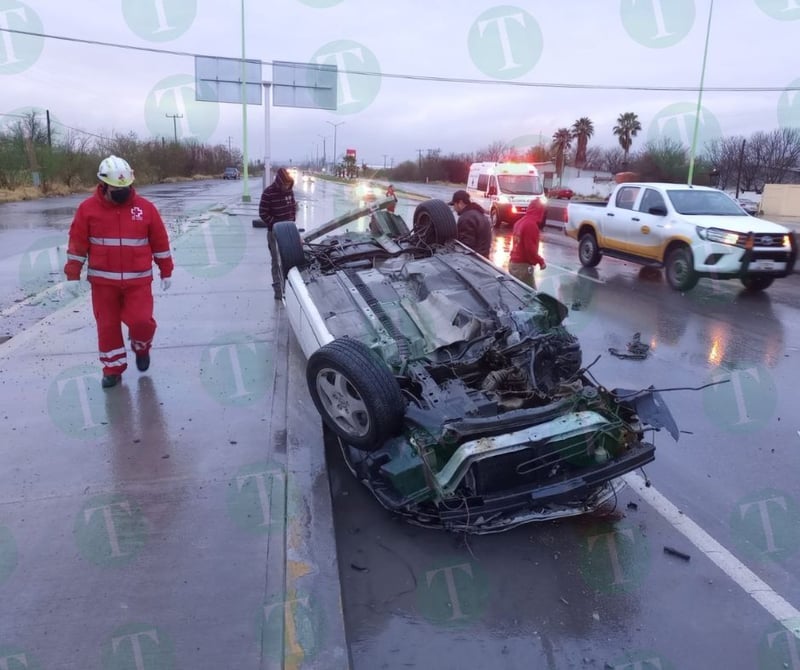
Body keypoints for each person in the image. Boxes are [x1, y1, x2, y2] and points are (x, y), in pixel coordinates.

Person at [64, 155, 174, 389]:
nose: (123, 191)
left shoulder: (145, 209)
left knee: (142, 322)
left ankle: (141, 347)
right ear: (103, 185)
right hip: (104, 284)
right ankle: (112, 369)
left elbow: (160, 242)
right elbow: (77, 245)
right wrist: (72, 275)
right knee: (107, 327)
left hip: (138, 282)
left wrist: (167, 270)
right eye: (117, 187)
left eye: (126, 186)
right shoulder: (87, 210)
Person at [259, 167, 297, 299]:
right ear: (279, 182)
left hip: (289, 232)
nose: (286, 187)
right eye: (284, 185)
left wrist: (292, 222)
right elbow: (263, 213)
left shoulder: (289, 192)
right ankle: (278, 292)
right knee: (276, 262)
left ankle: (290, 290)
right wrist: (275, 224)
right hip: (274, 234)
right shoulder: (268, 193)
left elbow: (293, 207)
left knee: (290, 261)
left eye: (288, 185)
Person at [508, 199, 547, 289]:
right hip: (523, 267)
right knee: (530, 295)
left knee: (516, 292)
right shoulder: (531, 225)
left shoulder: (519, 222)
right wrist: (540, 261)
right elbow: (530, 249)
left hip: (513, 264)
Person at [448, 189, 492, 257]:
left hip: (474, 261)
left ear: (460, 203)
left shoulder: (466, 218)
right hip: (484, 259)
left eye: (454, 204)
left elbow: (466, 246)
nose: (454, 208)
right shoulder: (480, 214)